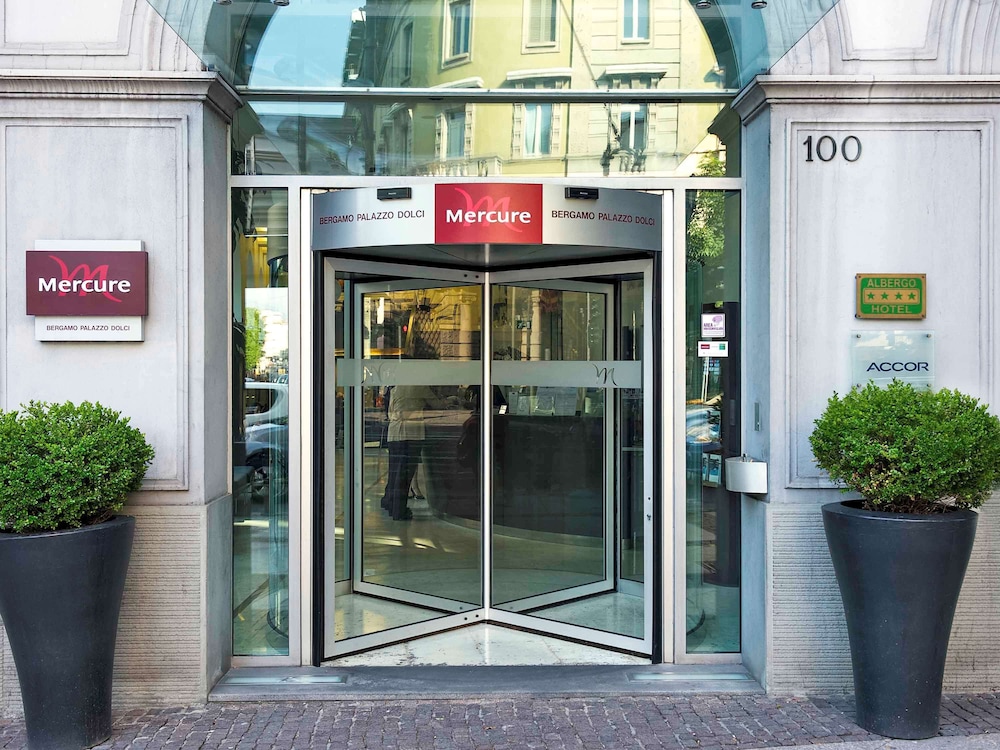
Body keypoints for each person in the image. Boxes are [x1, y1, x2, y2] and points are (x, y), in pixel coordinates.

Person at [380, 383, 446, 520]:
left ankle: (390, 503)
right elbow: (438, 405)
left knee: (394, 471)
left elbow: (390, 411)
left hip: (394, 432)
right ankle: (399, 511)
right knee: (405, 474)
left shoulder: (396, 388)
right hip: (411, 433)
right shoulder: (421, 387)